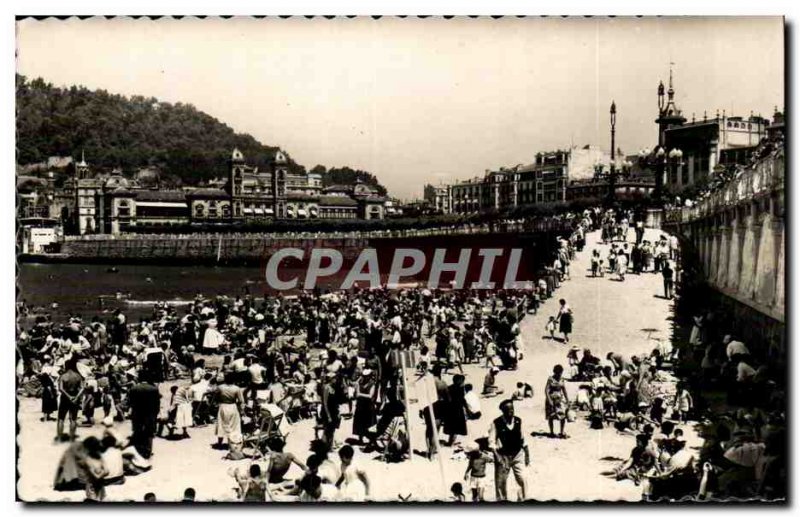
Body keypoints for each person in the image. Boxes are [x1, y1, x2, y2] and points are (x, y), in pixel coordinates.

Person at [489, 399, 530, 501]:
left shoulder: (518, 421)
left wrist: (527, 455)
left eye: (512, 409)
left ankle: (523, 500)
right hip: (503, 456)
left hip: (518, 454)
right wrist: (497, 457)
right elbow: (491, 442)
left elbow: (523, 439)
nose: (511, 411)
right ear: (503, 411)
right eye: (508, 409)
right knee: (501, 482)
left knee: (522, 478)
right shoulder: (496, 423)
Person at [128, 370, 161, 459]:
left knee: (138, 431)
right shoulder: (153, 389)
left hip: (137, 414)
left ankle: (138, 450)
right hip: (150, 414)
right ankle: (148, 451)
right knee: (149, 432)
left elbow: (130, 402)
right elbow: (157, 404)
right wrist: (155, 414)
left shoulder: (134, 388)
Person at [215, 372, 245, 459]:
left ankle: (220, 442)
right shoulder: (236, 388)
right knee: (234, 425)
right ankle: (233, 443)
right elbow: (241, 401)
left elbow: (216, 397)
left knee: (221, 424)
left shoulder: (220, 387)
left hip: (223, 406)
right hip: (232, 406)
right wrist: (242, 410)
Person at [56, 359, 85, 442]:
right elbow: (82, 388)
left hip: (65, 398)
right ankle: (72, 438)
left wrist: (68, 396)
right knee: (73, 419)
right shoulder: (78, 376)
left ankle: (59, 438)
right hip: (75, 397)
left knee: (61, 418)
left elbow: (60, 389)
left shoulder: (63, 376)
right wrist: (76, 397)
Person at [352, 369, 377, 446]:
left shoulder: (372, 384)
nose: (365, 377)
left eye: (366, 376)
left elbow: (370, 395)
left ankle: (372, 440)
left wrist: (360, 394)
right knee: (360, 423)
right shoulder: (360, 383)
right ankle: (361, 439)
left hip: (368, 406)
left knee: (370, 424)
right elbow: (356, 394)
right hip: (360, 406)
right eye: (364, 376)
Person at [545, 365, 569, 438]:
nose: (559, 374)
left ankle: (561, 432)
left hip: (559, 400)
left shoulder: (562, 379)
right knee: (551, 416)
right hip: (551, 399)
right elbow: (546, 390)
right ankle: (551, 432)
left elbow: (564, 389)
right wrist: (549, 400)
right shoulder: (550, 379)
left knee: (562, 415)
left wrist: (567, 399)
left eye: (560, 373)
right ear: (554, 372)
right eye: (558, 373)